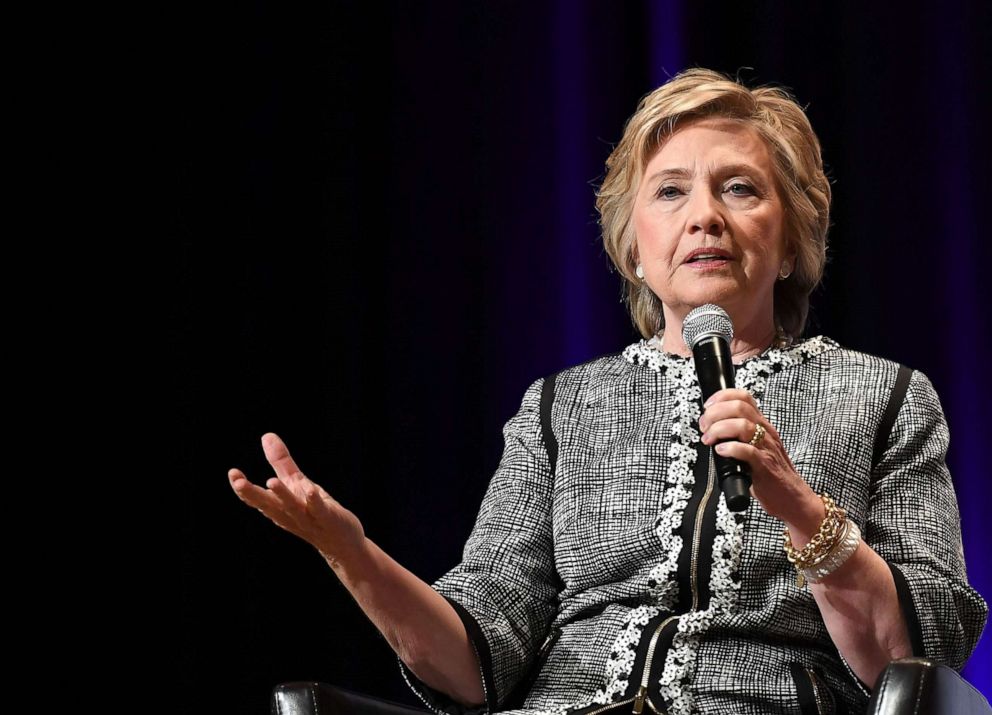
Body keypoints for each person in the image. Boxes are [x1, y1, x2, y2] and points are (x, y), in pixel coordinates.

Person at [228, 68, 987, 714]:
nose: (705, 218)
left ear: (792, 242)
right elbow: (478, 655)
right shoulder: (561, 406)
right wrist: (352, 554)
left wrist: (798, 505)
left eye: (740, 189)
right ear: (632, 246)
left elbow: (912, 658)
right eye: (669, 193)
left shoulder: (885, 397)